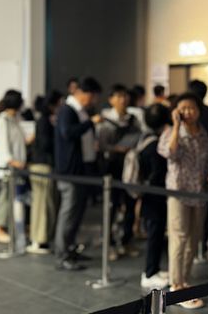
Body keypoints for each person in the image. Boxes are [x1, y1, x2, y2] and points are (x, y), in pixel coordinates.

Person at [157, 92, 208, 309]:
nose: (188, 112)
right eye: (183, 108)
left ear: (199, 110)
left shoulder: (206, 133)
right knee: (179, 237)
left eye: (191, 108)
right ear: (176, 111)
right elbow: (170, 153)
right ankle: (176, 286)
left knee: (194, 238)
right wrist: (176, 126)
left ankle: (184, 280)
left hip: (200, 192)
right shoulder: (170, 132)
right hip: (178, 192)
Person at [54, 77, 103, 271]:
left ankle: (70, 249)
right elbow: (68, 133)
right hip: (70, 171)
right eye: (93, 96)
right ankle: (62, 255)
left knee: (76, 213)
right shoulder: (67, 110)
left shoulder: (79, 110)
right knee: (68, 213)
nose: (94, 101)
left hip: (81, 169)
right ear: (83, 93)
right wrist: (90, 123)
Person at [98, 84, 142, 259]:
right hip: (112, 167)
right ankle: (108, 243)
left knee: (130, 205)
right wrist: (116, 148)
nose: (123, 100)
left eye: (125, 96)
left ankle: (126, 241)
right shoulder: (105, 120)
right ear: (111, 99)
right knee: (112, 206)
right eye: (118, 96)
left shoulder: (133, 119)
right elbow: (101, 146)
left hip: (130, 167)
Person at [139, 103, 171, 289]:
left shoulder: (146, 139)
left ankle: (154, 269)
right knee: (155, 234)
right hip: (155, 197)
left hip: (150, 196)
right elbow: (158, 174)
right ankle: (149, 272)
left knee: (156, 233)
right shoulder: (156, 145)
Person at [27, 90, 62, 255]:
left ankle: (42, 238)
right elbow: (45, 144)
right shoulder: (44, 121)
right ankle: (38, 239)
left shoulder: (47, 120)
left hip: (44, 165)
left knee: (46, 204)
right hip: (41, 165)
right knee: (41, 205)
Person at [0, 90, 29, 249]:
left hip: (17, 166)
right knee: (4, 199)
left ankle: (9, 226)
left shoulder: (14, 120)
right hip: (8, 167)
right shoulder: (2, 121)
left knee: (14, 199)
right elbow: (2, 145)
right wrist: (12, 161)